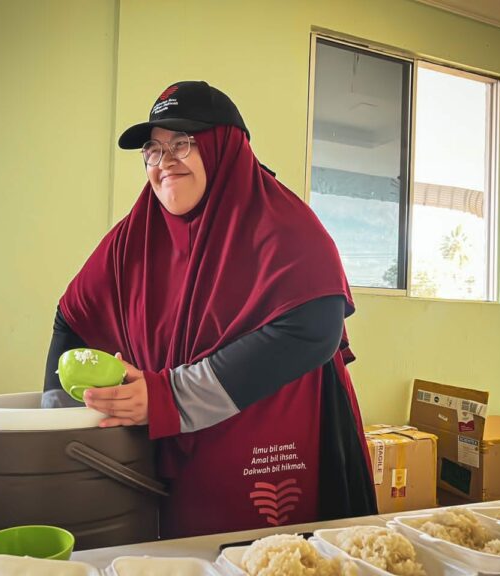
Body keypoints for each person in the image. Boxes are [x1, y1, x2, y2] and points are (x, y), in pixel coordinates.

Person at [42, 80, 377, 539]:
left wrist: (168, 396)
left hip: (269, 457)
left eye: (183, 143)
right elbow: (72, 319)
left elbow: (313, 328)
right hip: (168, 468)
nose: (165, 163)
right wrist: (56, 427)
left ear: (226, 148)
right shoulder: (133, 239)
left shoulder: (281, 224)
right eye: (153, 150)